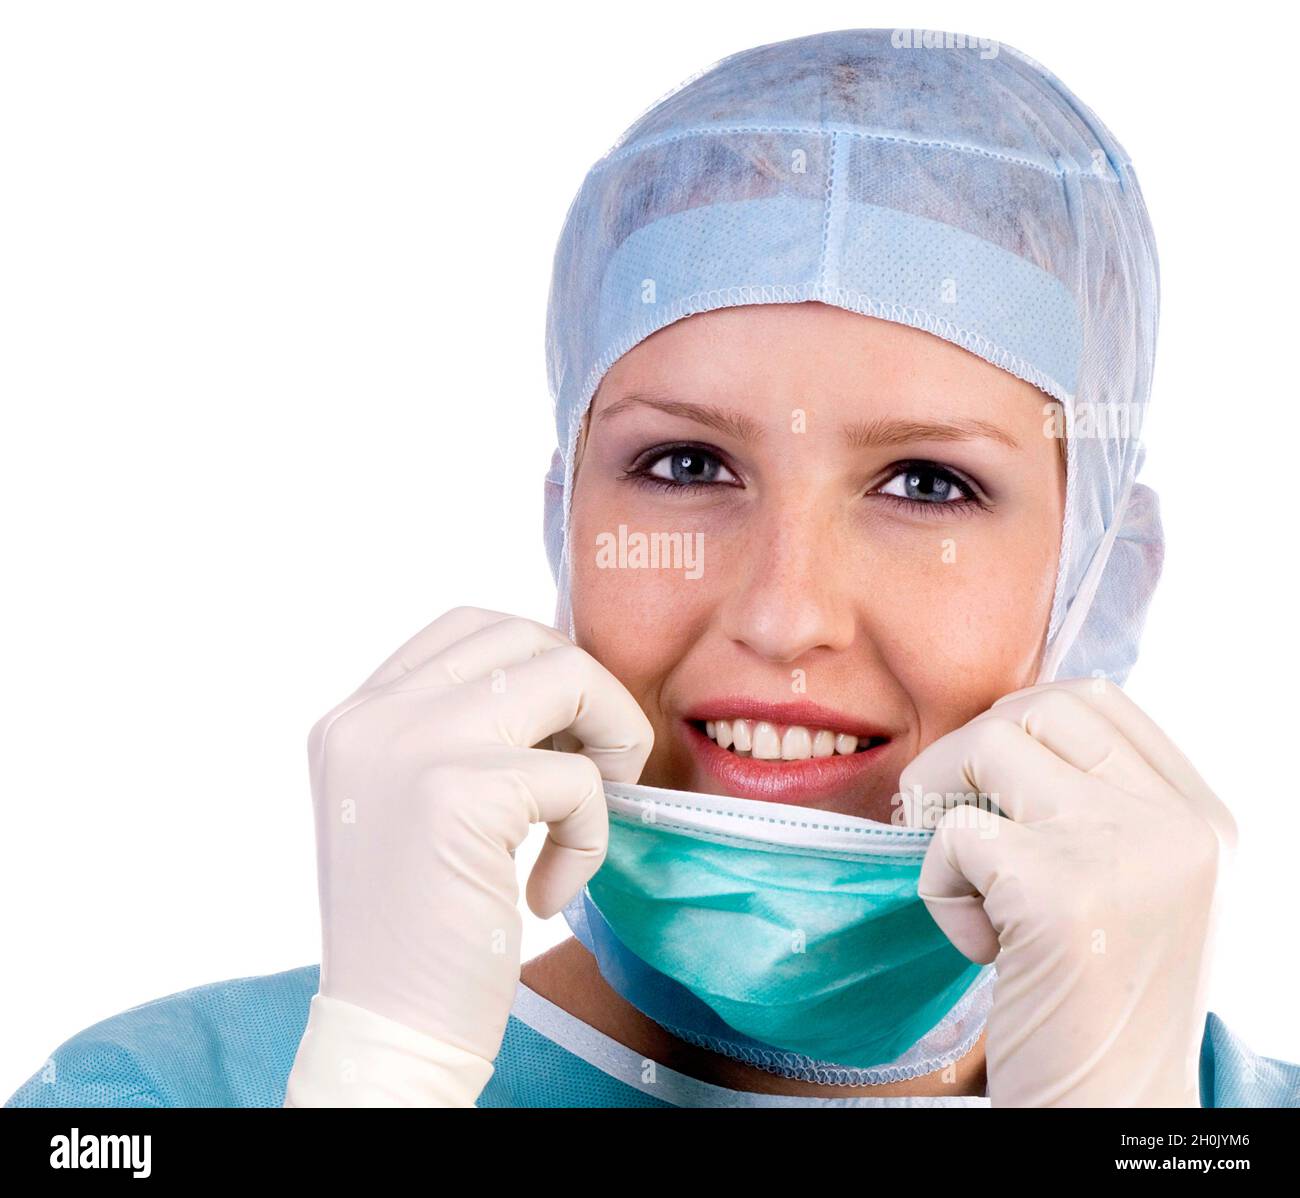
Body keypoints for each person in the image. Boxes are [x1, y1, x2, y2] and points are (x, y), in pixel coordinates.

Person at [8, 28, 1300, 1110]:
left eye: (927, 483)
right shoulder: (165, 1096)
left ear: (1100, 576)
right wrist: (382, 1073)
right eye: (685, 465)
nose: (784, 610)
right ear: (568, 520)